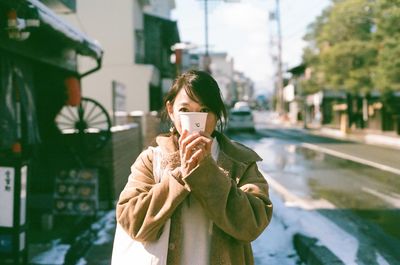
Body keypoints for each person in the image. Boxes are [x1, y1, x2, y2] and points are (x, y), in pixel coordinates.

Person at [116, 70, 273, 265]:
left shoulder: (240, 161)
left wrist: (206, 172)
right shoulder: (151, 159)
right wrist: (181, 175)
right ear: (171, 111)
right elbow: (132, 222)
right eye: (184, 110)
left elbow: (252, 225)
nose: (195, 118)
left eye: (205, 110)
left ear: (217, 115)